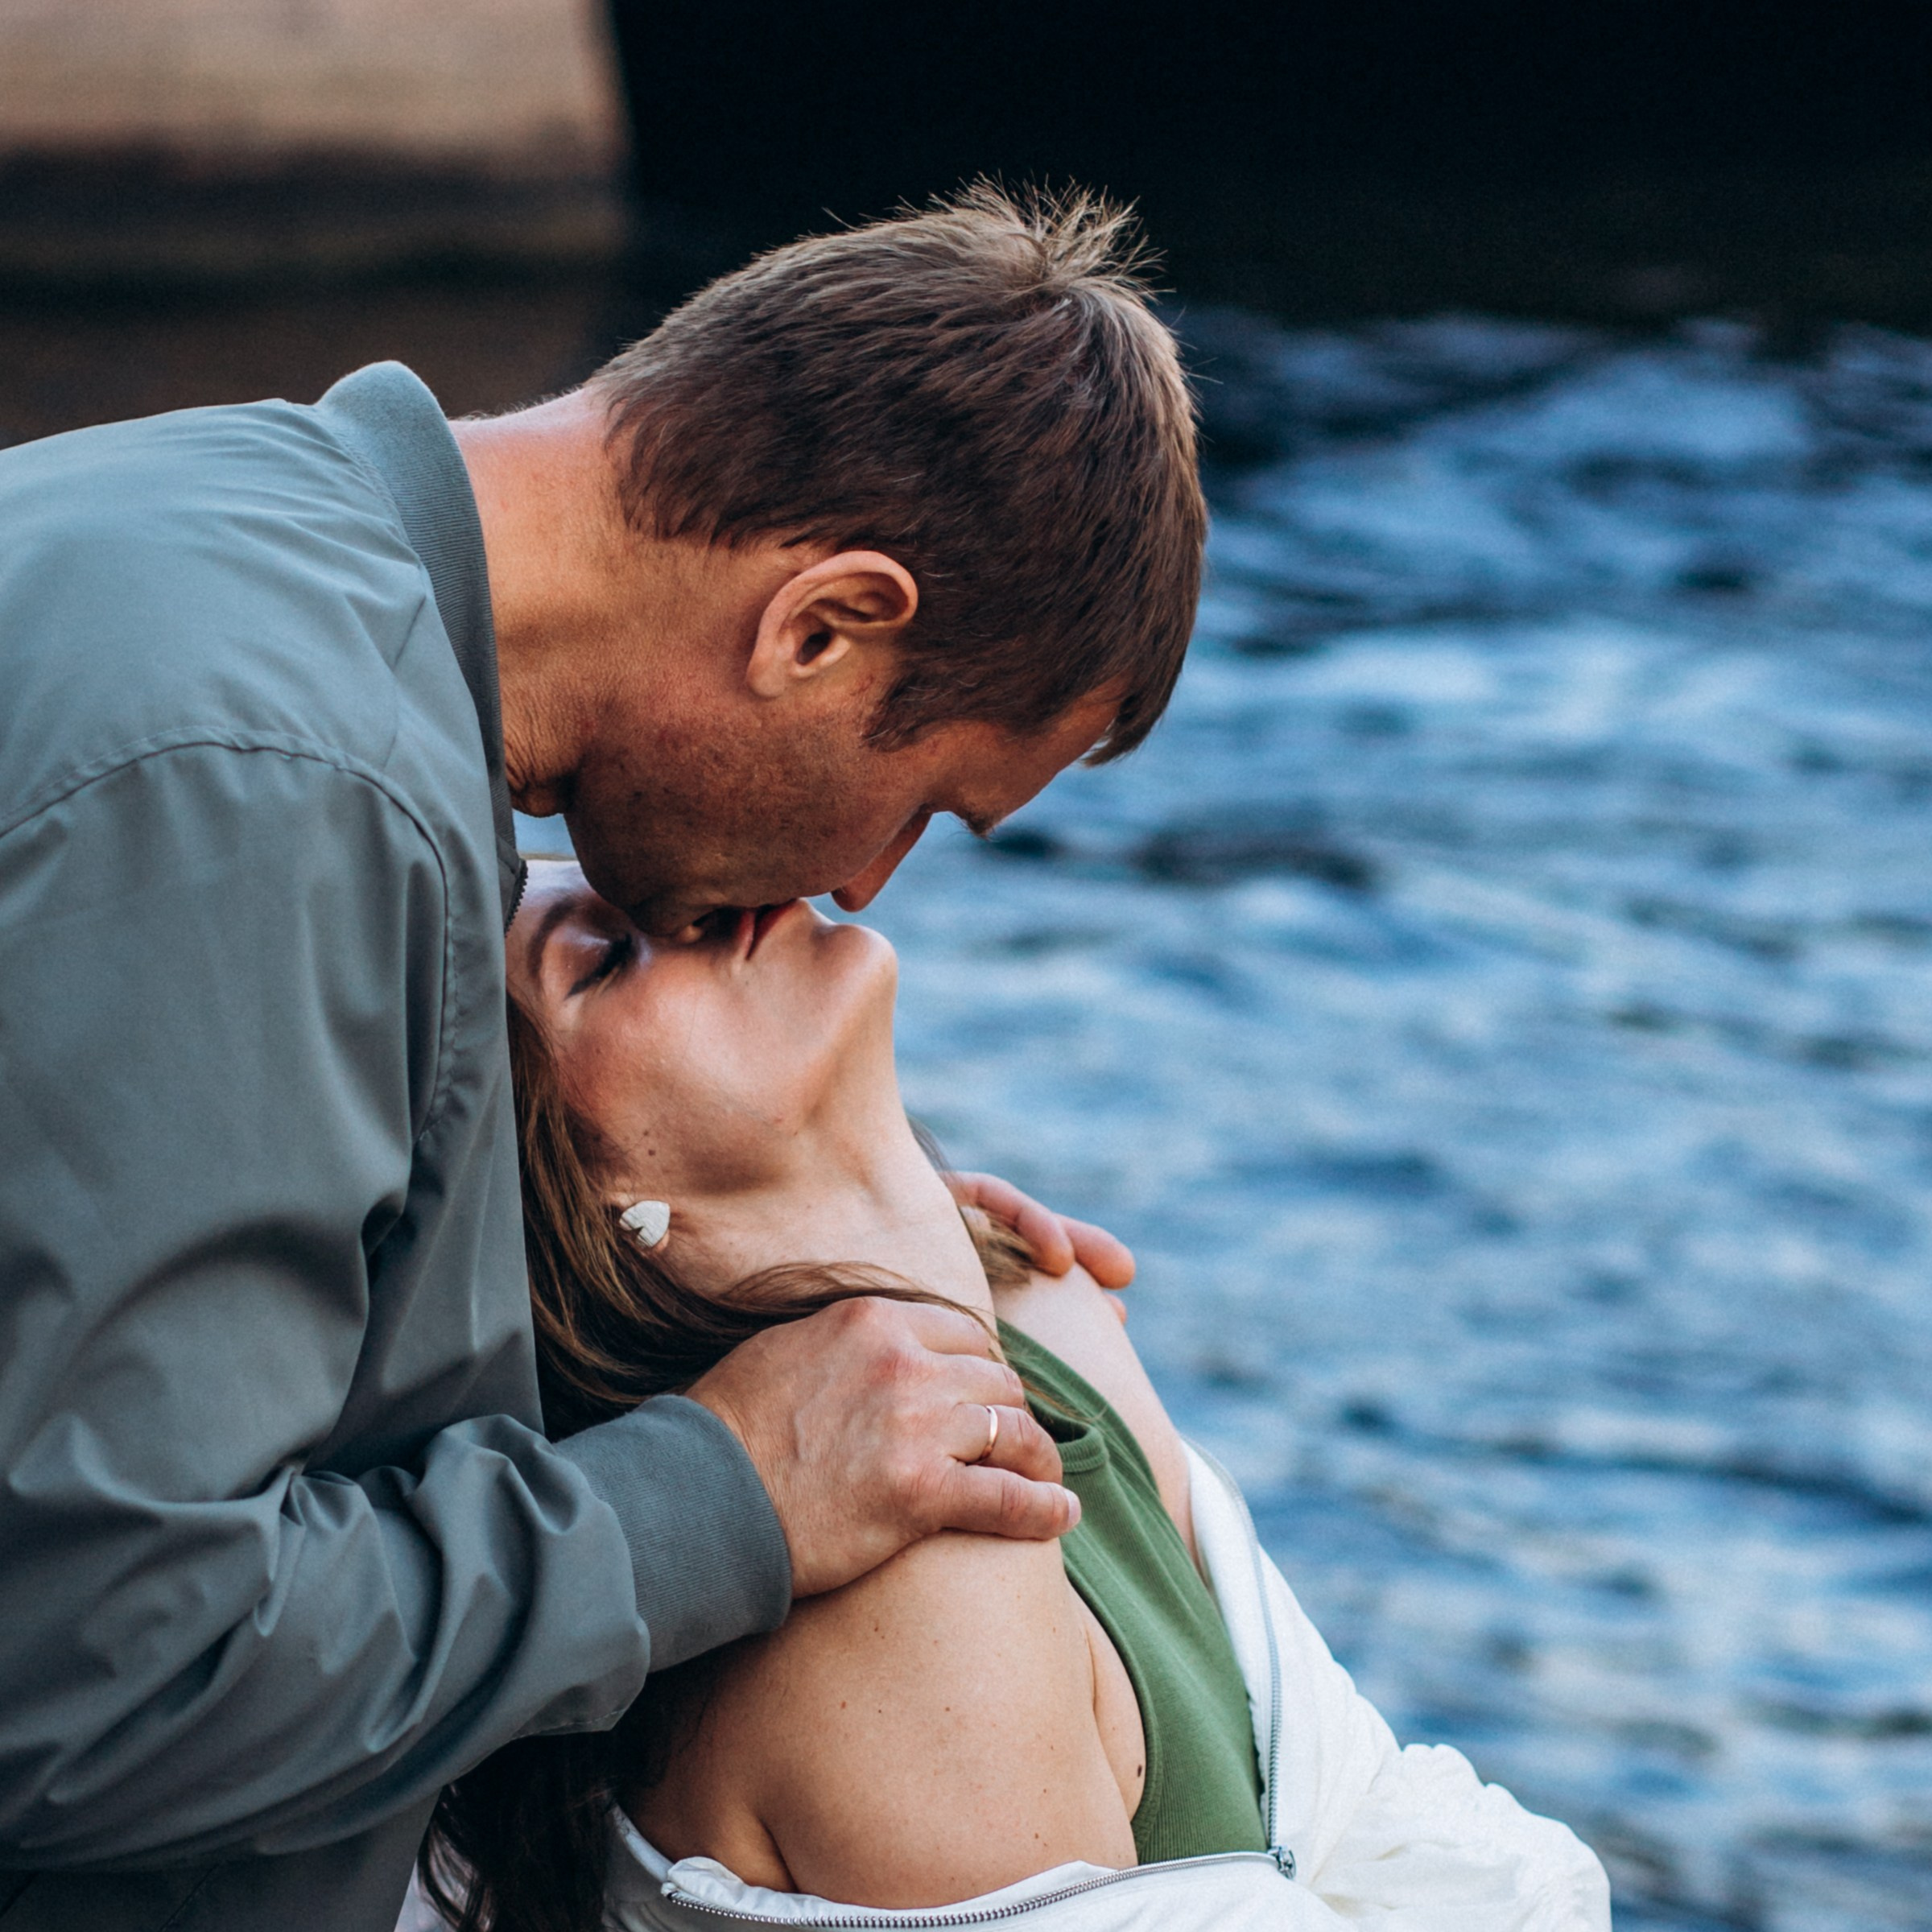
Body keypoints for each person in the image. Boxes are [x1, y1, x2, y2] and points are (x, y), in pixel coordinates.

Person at [0, 188, 1201, 1932]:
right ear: (823, 625)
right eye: (930, 803)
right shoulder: (275, 785)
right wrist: (722, 1494)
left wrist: (793, 1235)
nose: (864, 892)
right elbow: (94, 1675)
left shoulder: (207, 540)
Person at [413, 862, 1613, 1932]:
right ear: (584, 1207)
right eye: (607, 958)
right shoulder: (906, 1589)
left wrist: (923, 1233)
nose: (697, 891)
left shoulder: (1039, 1314)